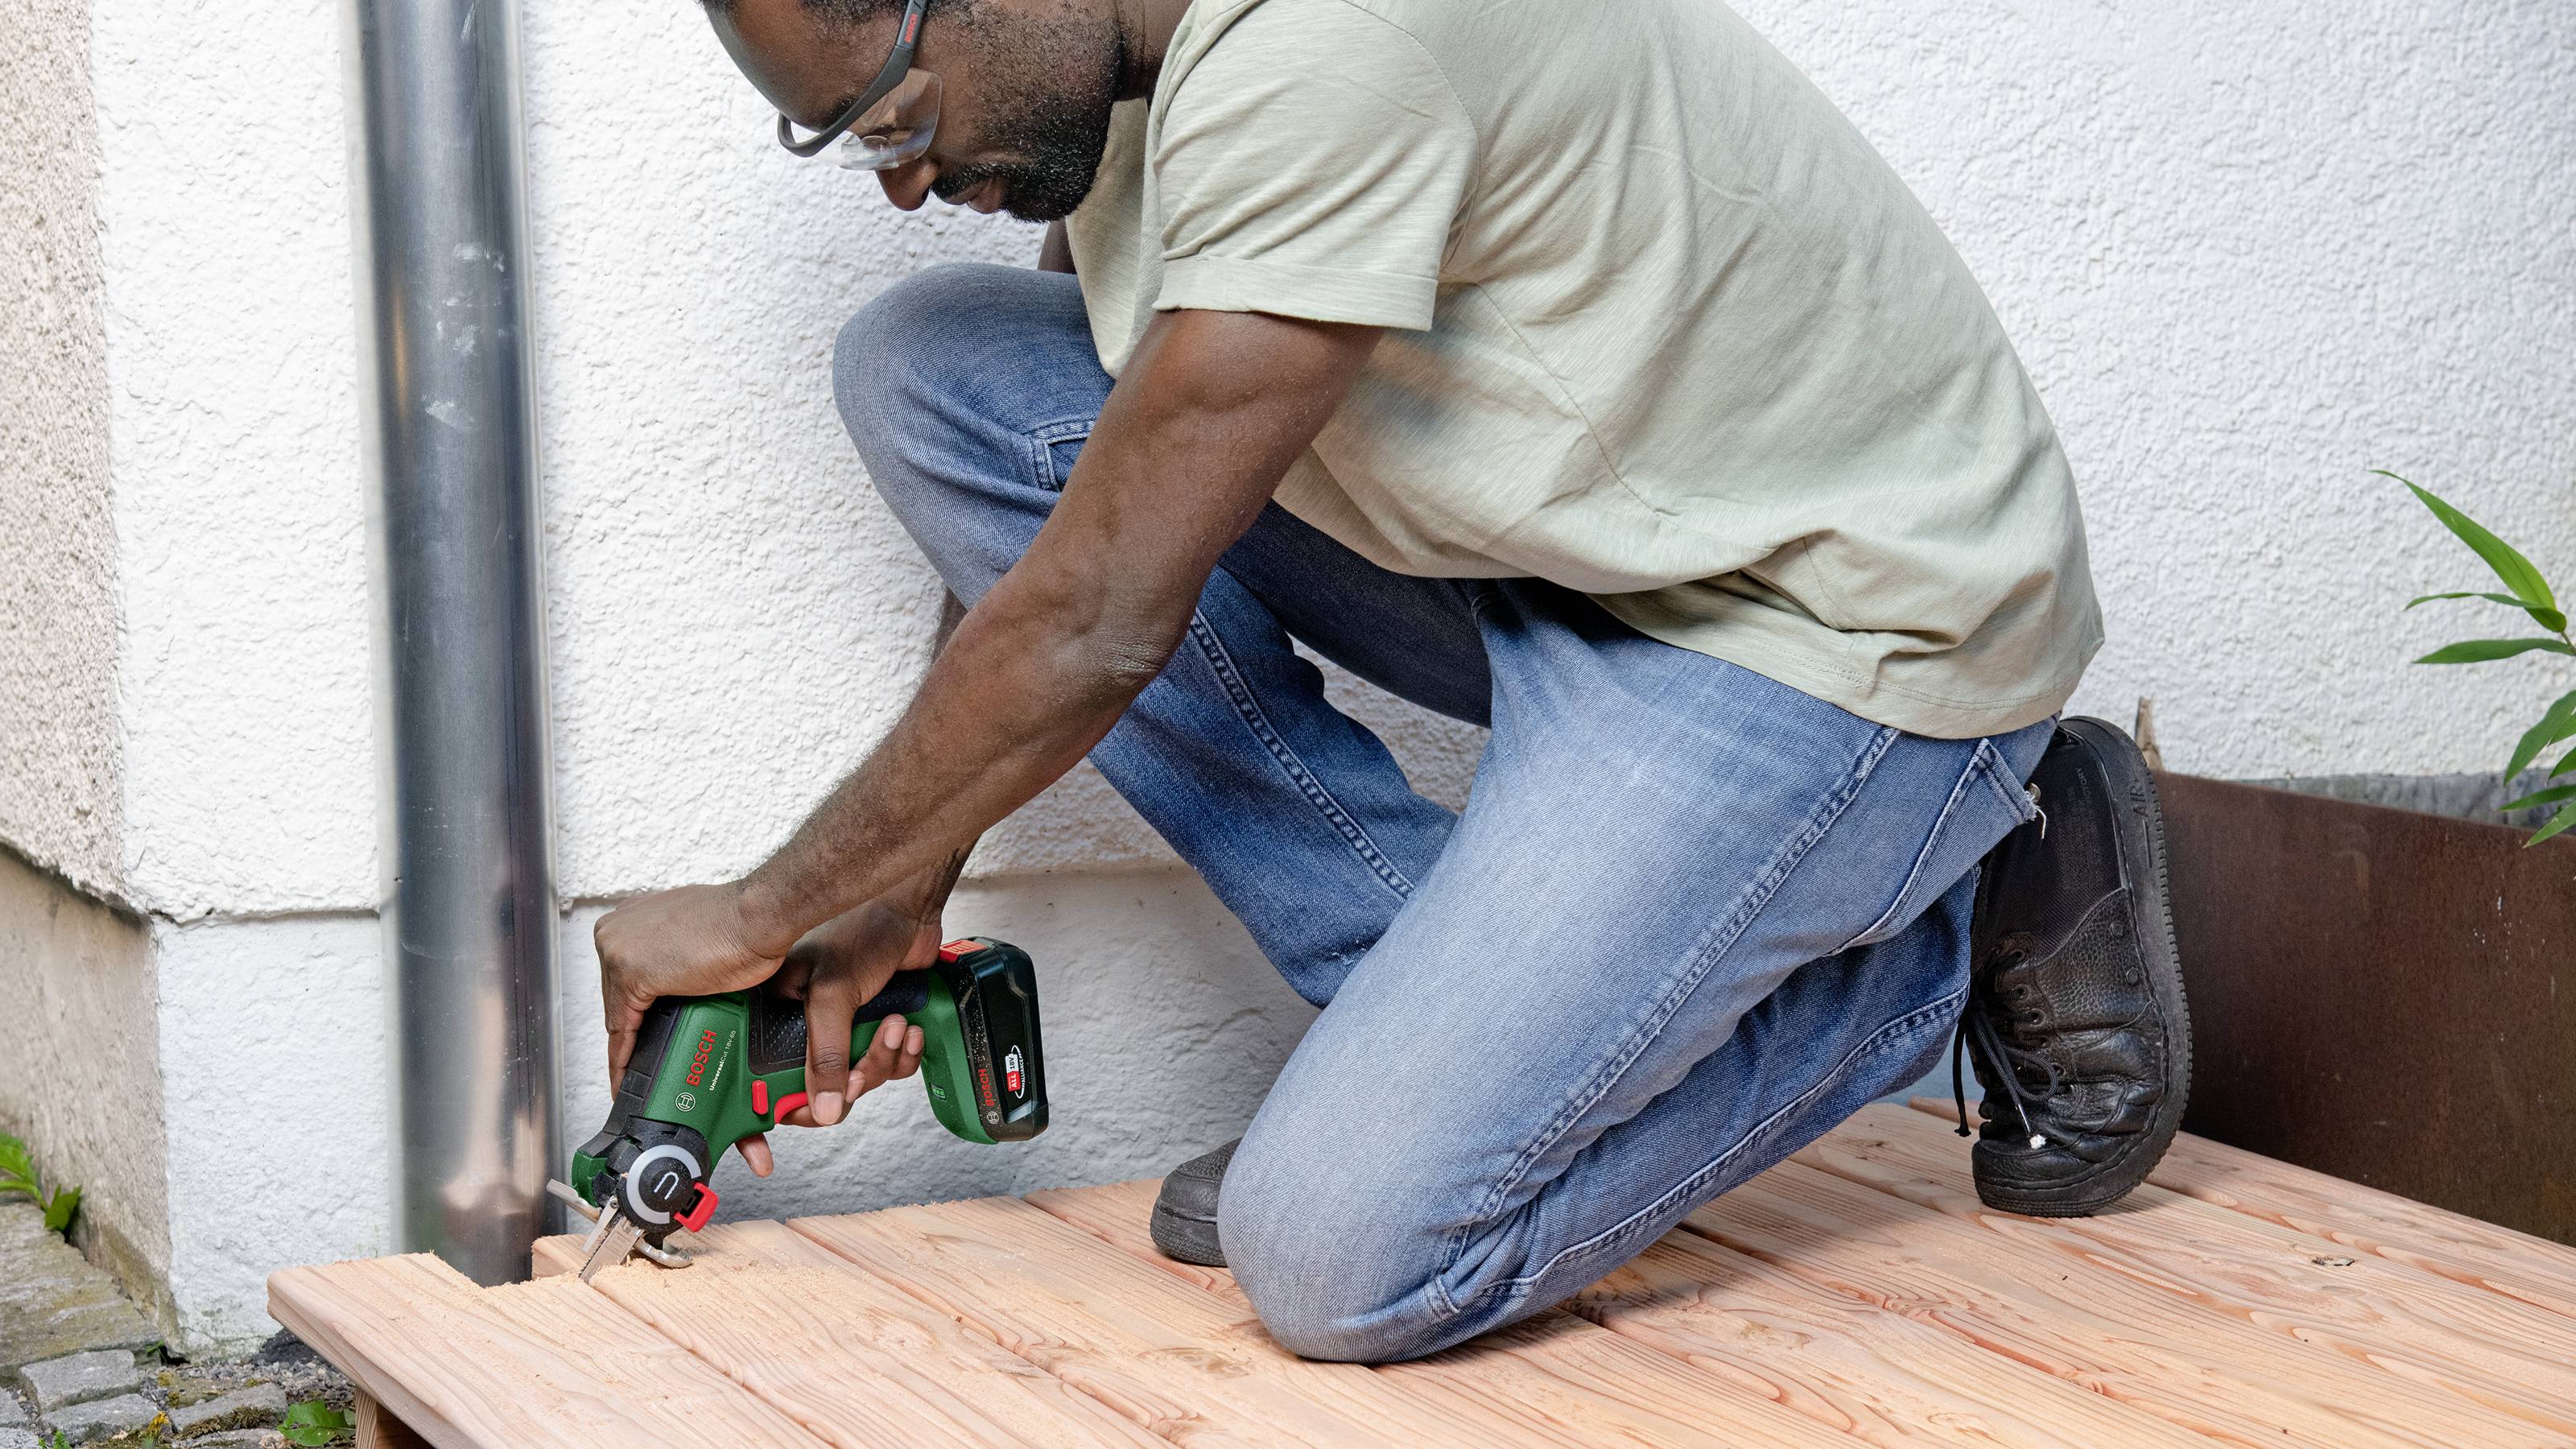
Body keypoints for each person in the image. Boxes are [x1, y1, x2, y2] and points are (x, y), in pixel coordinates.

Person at [592, 0, 2192, 1364]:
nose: (903, 179)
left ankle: (1962, 908)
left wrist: (754, 911)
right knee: (934, 363)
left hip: (1825, 636)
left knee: (1341, 1262)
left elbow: (1092, 615)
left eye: (888, 116)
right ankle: (1466, 1049)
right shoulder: (1128, 66)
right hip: (1583, 550)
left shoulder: (1329, 51)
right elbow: (1098, 523)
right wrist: (896, 882)